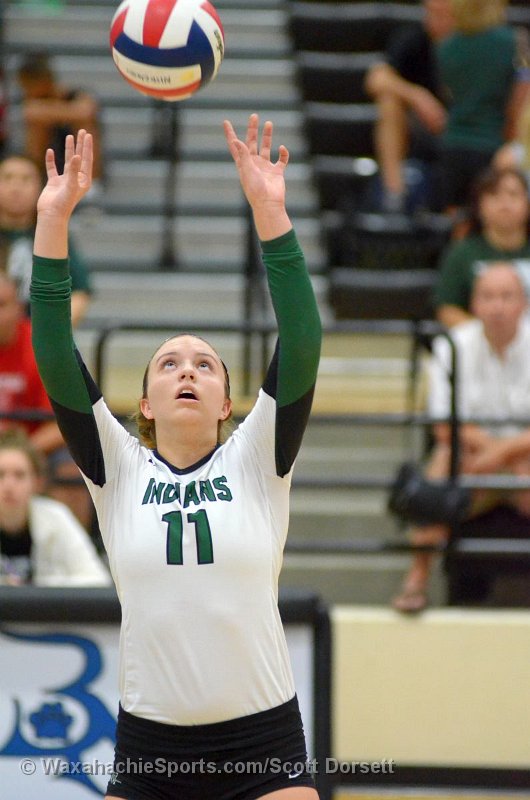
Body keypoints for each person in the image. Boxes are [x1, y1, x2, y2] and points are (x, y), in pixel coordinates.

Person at [30, 120, 322, 800]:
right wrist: (52, 221)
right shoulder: (117, 469)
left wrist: (270, 213)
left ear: (227, 403)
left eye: (205, 365)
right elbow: (54, 350)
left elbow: (303, 336)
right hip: (151, 750)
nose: (187, 370)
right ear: (146, 404)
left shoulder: (259, 457)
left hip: (263, 745)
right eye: (169, 364)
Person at [392, 262, 530, 613]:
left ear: (523, 304)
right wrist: (496, 456)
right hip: (471, 462)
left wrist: (500, 454)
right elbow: (444, 425)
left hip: (522, 462)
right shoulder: (452, 345)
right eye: (488, 297)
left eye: (507, 296)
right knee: (442, 464)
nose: (497, 306)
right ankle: (416, 581)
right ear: (474, 304)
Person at [437, 0, 530, 216]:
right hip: (494, 145)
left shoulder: (446, 46)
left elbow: (447, 92)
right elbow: (520, 97)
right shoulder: (514, 40)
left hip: (453, 144)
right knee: (492, 219)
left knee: (457, 220)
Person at [364, 0, 454, 213]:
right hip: (420, 128)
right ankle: (394, 194)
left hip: (464, 126)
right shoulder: (413, 39)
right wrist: (417, 96)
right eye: (432, 13)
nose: (436, 21)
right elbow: (375, 79)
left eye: (443, 14)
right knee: (389, 102)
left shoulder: (473, 45)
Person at [0, 428, 109, 586]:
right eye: (1, 475)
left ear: (37, 482)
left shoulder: (56, 516)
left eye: (19, 475)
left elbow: (97, 579)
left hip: (42, 603)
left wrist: (38, 589)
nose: (9, 486)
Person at [0, 152, 92, 326]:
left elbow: (80, 292)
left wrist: (51, 332)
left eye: (26, 179)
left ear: (40, 187)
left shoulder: (54, 234)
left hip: (40, 331)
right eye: (7, 178)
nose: (16, 187)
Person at [434, 166, 530, 328]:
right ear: (479, 205)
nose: (505, 203)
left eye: (513, 194)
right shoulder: (462, 253)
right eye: (494, 195)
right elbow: (447, 308)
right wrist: (486, 335)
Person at [17, 51, 104, 202]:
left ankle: (89, 181)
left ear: (46, 80)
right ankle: (38, 180)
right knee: (37, 126)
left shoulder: (76, 95)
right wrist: (66, 112)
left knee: (85, 128)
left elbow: (86, 112)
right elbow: (30, 113)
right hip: (50, 157)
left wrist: (48, 111)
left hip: (79, 158)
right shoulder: (30, 101)